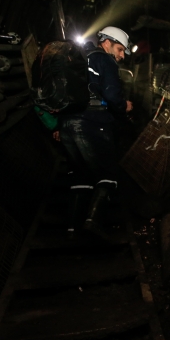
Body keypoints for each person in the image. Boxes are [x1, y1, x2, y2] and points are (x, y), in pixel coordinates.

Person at [59, 26, 134, 240]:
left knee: (80, 175)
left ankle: (72, 230)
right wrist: (124, 106)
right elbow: (111, 95)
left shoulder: (79, 59)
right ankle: (93, 222)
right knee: (108, 174)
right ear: (107, 42)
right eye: (120, 49)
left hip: (67, 122)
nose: (121, 56)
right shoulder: (105, 60)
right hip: (91, 122)